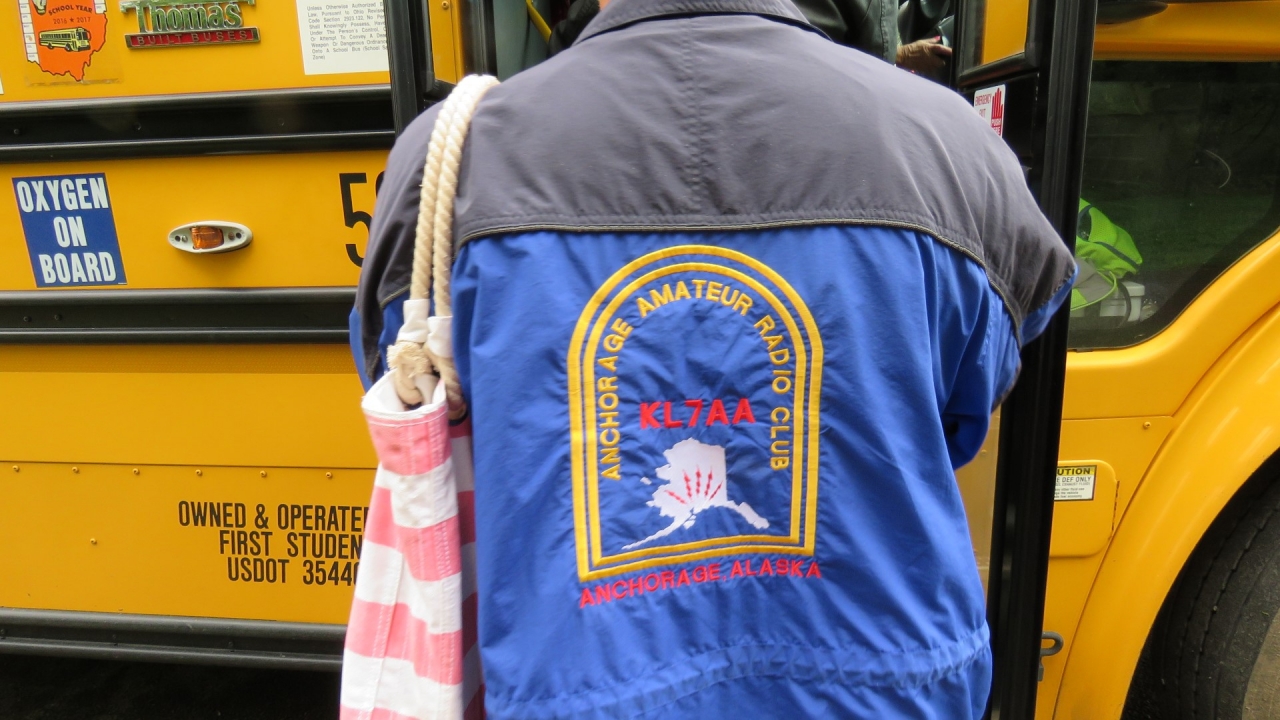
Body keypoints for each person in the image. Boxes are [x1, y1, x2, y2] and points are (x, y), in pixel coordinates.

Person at [351, 0, 1075, 716]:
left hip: (572, 688)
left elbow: (413, 391)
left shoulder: (450, 158)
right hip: (883, 690)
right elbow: (967, 402)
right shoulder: (950, 147)